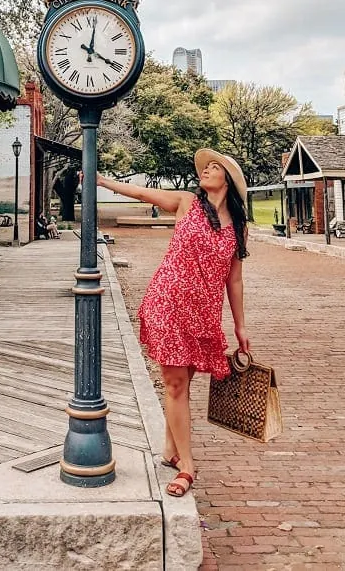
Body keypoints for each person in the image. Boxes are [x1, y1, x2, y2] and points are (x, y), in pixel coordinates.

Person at [95, 148, 250, 498]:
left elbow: (234, 280)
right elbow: (138, 192)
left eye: (214, 168)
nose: (206, 171)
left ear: (228, 179)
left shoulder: (238, 227)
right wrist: (102, 180)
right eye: (205, 167)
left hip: (204, 313)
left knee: (183, 383)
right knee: (176, 384)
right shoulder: (185, 202)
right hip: (168, 302)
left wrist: (240, 326)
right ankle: (187, 467)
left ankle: (169, 448)